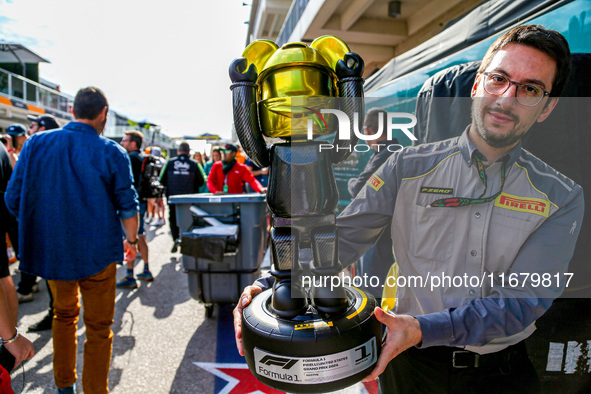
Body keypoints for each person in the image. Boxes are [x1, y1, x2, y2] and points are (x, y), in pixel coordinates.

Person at [233, 25, 584, 392]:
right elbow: (343, 239)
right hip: (407, 368)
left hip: (498, 375)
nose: (507, 99)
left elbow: (523, 301)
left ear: (547, 107)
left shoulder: (561, 196)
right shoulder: (406, 167)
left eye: (530, 89)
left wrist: (422, 329)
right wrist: (273, 283)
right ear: (478, 83)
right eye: (499, 78)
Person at [5, 86, 139, 394]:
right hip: (99, 254)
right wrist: (130, 241)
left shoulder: (36, 143)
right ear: (103, 114)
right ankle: (95, 390)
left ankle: (65, 386)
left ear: (74, 110)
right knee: (99, 328)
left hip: (54, 254)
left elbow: (13, 200)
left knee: (63, 316)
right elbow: (128, 207)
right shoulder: (112, 151)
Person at [346, 108, 400, 300]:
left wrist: (351, 182)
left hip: (379, 238)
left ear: (368, 131)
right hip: (387, 234)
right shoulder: (390, 151)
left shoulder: (386, 154)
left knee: (372, 293)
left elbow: (359, 188)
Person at [117, 130, 154, 289]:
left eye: (125, 140)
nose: (122, 143)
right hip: (143, 201)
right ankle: (145, 269)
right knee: (140, 235)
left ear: (133, 143)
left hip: (133, 203)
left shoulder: (129, 158)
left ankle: (130, 276)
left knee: (130, 237)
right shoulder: (142, 158)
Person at [160, 141, 204, 253]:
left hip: (173, 198)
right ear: (189, 152)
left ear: (179, 151)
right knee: (190, 219)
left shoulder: (169, 163)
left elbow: (162, 180)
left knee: (173, 218)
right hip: (190, 199)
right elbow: (201, 181)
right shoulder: (194, 164)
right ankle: (188, 240)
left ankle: (176, 238)